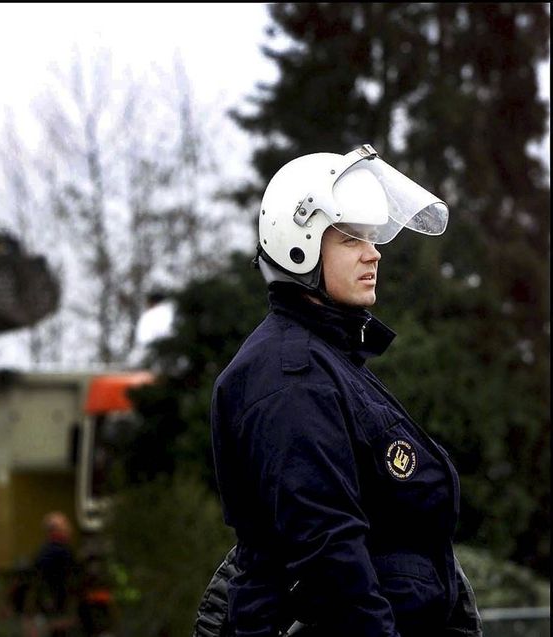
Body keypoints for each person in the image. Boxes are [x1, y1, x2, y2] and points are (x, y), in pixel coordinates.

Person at [202, 145, 482, 636]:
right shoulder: (292, 378)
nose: (373, 253)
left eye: (373, 237)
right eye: (352, 238)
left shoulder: (327, 358)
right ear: (301, 242)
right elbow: (329, 559)